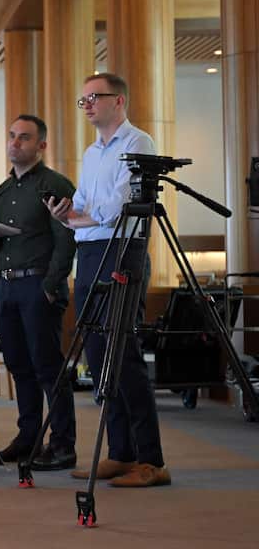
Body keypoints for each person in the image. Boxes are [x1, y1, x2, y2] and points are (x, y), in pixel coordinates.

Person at [48, 73, 170, 488]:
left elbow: (118, 207)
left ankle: (151, 460)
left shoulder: (138, 143)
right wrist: (68, 214)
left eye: (93, 98)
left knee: (123, 352)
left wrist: (85, 216)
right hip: (90, 252)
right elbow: (83, 206)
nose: (86, 105)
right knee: (98, 353)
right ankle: (121, 453)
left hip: (122, 250)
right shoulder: (91, 152)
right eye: (82, 100)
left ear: (118, 101)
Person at [0, 115, 77, 469]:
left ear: (41, 145)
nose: (15, 143)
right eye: (12, 136)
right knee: (19, 365)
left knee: (48, 367)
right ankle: (28, 439)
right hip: (6, 285)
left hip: (38, 285)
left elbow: (67, 239)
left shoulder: (55, 184)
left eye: (24, 138)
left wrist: (51, 286)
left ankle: (62, 445)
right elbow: (2, 244)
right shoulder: (2, 192)